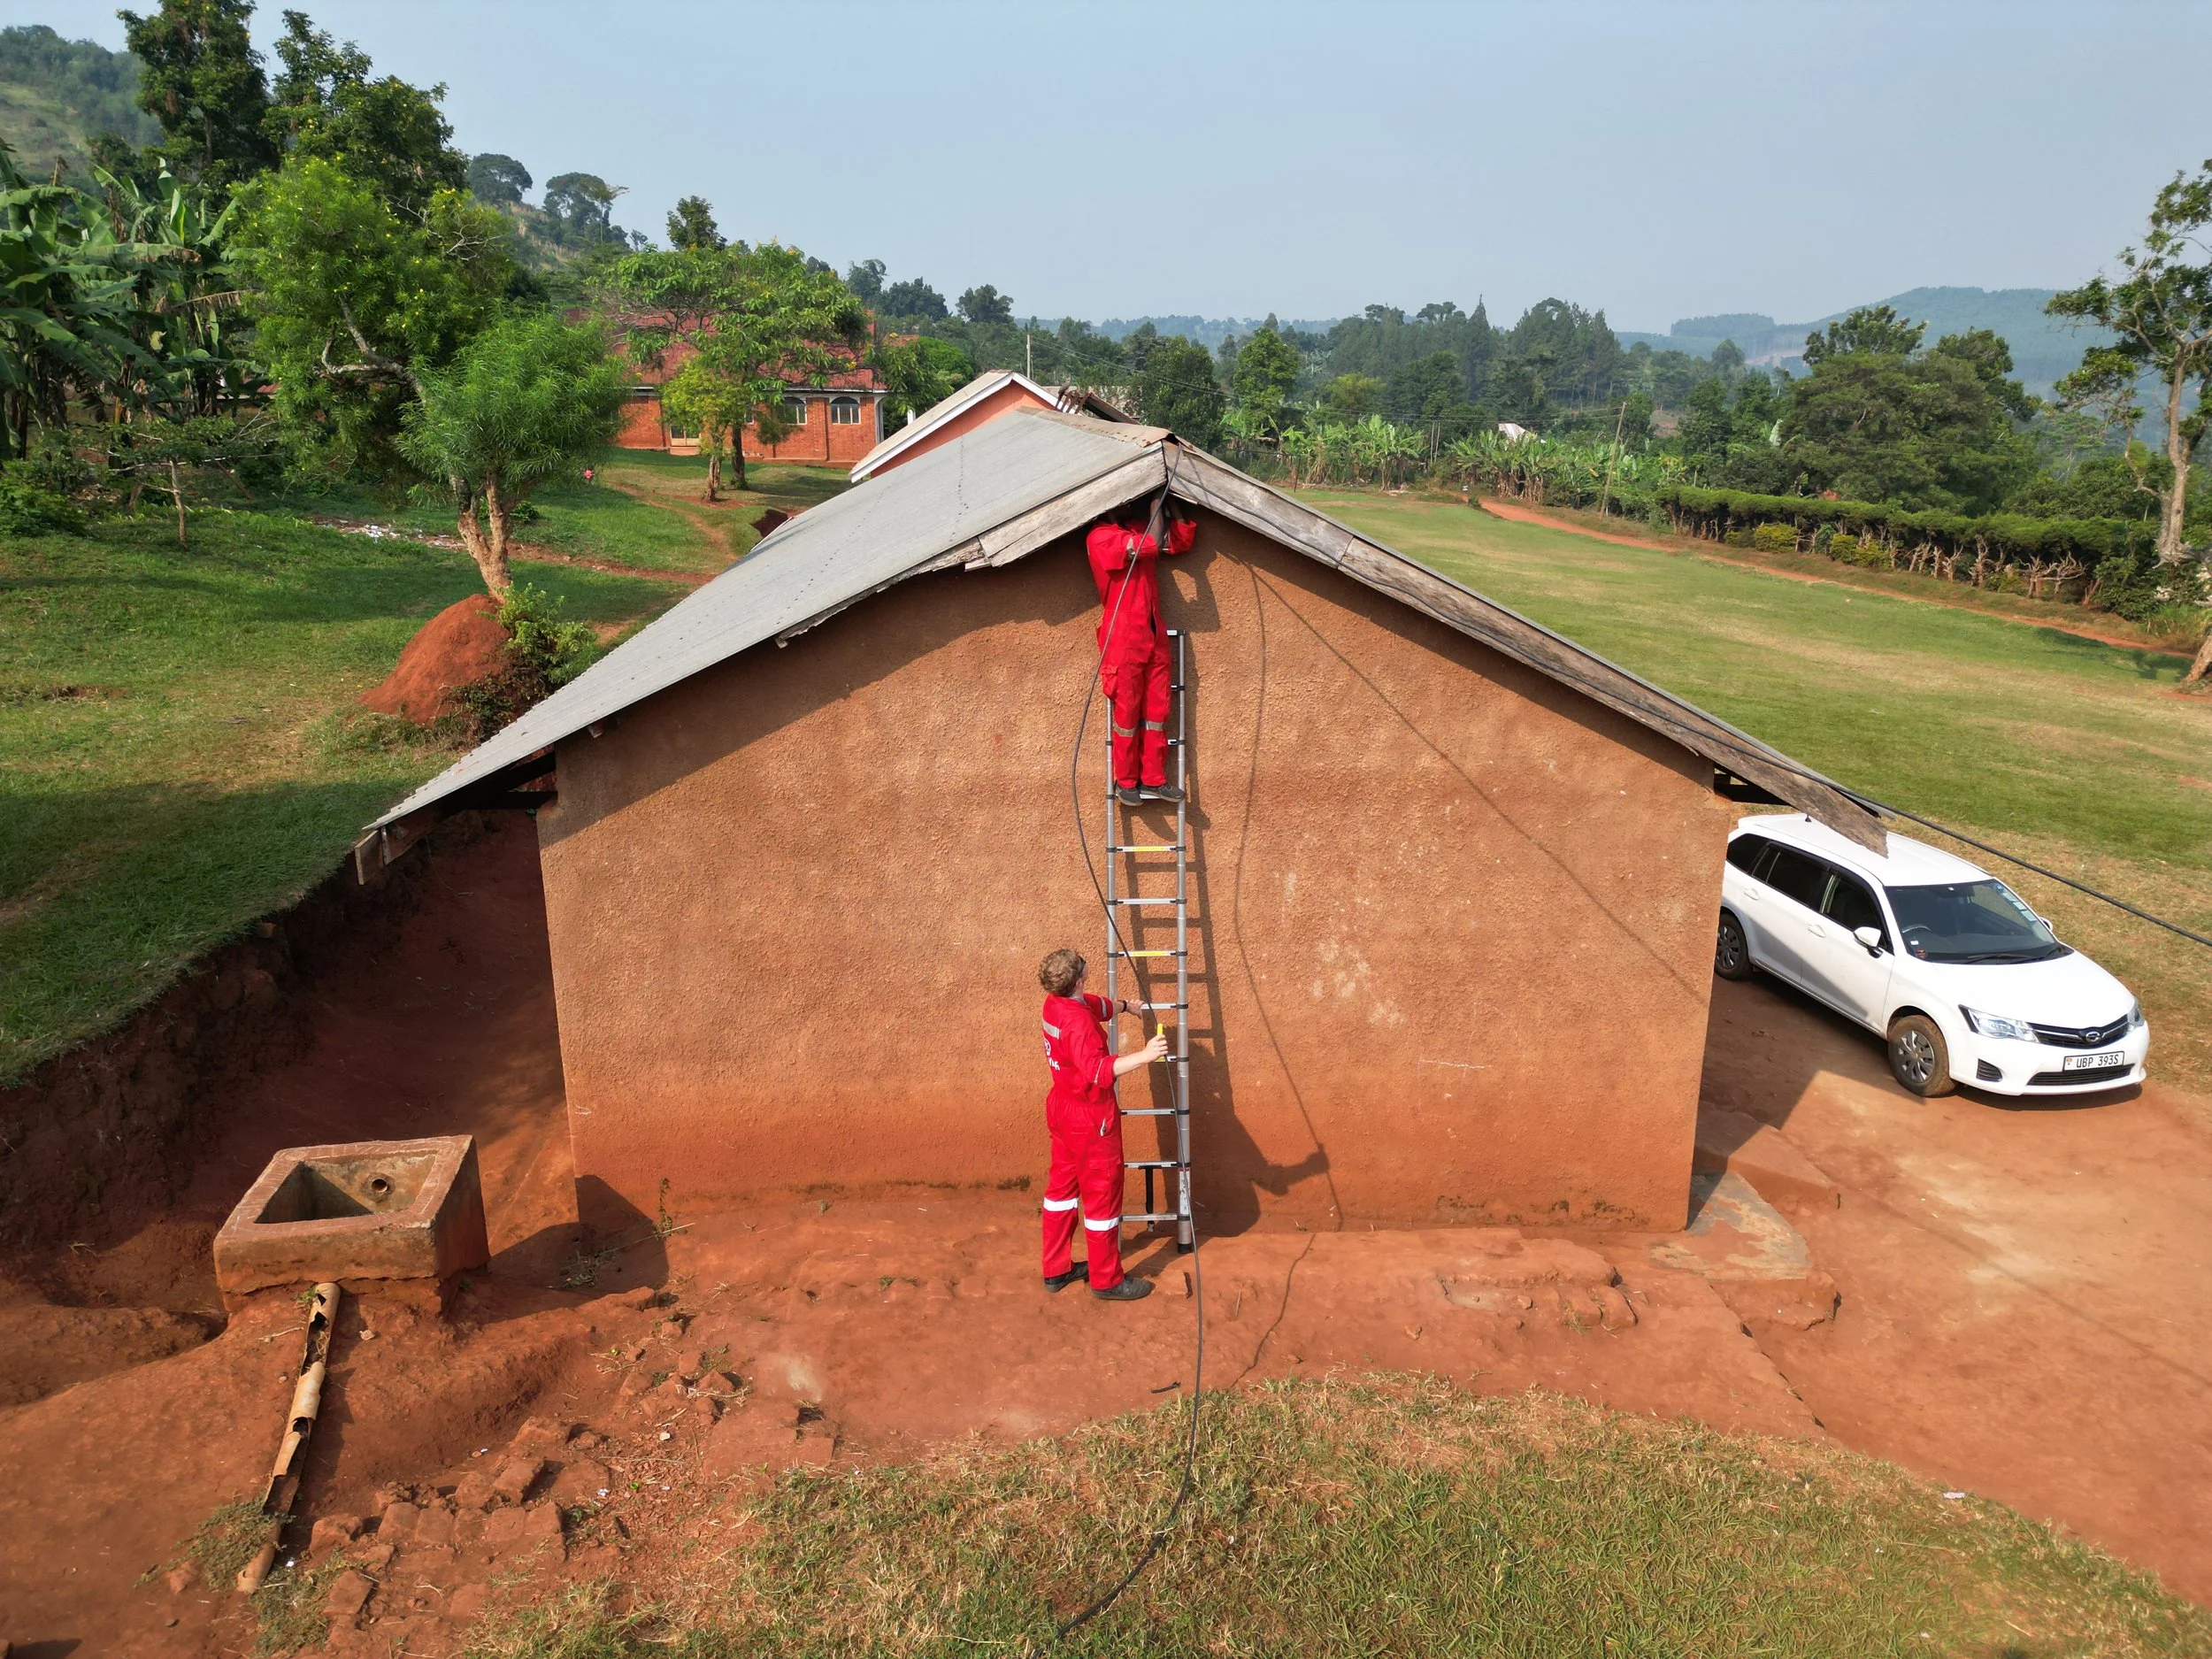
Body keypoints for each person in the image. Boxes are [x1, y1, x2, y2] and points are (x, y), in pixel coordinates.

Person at [1036, 946, 1168, 1300]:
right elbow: (1099, 1071)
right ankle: (1107, 1280)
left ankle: (1056, 1269)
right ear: (1079, 979)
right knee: (1102, 1195)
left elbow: (1092, 1004)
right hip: (1091, 1116)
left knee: (1062, 1191)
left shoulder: (1056, 1003)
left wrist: (1124, 1007)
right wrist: (1146, 1055)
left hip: (1063, 1108)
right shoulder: (1079, 1024)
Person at [1084, 503, 1196, 807]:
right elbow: (1151, 543)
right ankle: (1126, 782)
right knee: (1127, 712)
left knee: (1158, 711)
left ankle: (1154, 779)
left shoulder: (1134, 527)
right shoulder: (1100, 537)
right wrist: (1156, 504)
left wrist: (1171, 506)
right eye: (1123, 500)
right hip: (1123, 634)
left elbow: (1179, 541)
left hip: (1152, 630)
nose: (1130, 504)